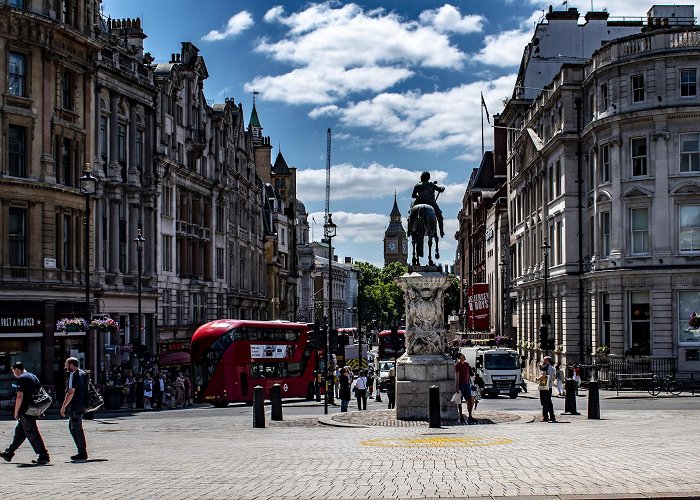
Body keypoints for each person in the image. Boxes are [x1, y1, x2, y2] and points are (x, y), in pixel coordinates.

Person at [0, 362, 50, 464]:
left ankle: (43, 455)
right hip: (33, 408)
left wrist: (16, 411)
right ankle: (9, 453)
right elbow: (39, 394)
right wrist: (40, 410)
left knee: (31, 432)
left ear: (17, 369)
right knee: (20, 432)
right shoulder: (33, 376)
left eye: (13, 372)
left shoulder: (22, 378)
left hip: (26, 410)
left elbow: (19, 396)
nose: (14, 374)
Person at [60, 357, 89, 461]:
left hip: (76, 406)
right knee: (73, 428)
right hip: (82, 404)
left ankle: (82, 452)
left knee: (76, 429)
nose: (65, 366)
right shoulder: (83, 373)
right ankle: (81, 451)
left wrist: (63, 406)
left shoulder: (74, 375)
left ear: (71, 365)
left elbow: (71, 392)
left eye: (66, 364)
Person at [411, 171, 446, 237]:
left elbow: (413, 195)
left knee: (411, 214)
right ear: (428, 178)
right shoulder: (431, 184)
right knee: (439, 215)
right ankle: (441, 231)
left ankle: (409, 230)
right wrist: (442, 188)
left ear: (422, 177)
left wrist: (419, 197)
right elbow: (440, 190)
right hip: (431, 203)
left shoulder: (417, 185)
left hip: (419, 202)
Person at [455, 353, 474, 423]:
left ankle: (470, 415)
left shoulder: (467, 365)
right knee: (459, 401)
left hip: (467, 384)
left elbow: (469, 374)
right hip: (461, 385)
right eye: (462, 357)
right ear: (459, 358)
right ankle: (460, 415)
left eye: (463, 357)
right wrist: (457, 387)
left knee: (470, 400)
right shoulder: (457, 366)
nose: (463, 358)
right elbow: (457, 376)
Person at [538, 356, 557, 422]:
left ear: (547, 361)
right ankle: (552, 416)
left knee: (544, 402)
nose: (543, 361)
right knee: (549, 402)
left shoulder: (545, 367)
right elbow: (554, 378)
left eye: (544, 360)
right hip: (550, 387)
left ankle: (545, 417)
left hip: (544, 387)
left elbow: (543, 376)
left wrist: (538, 379)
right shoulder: (553, 368)